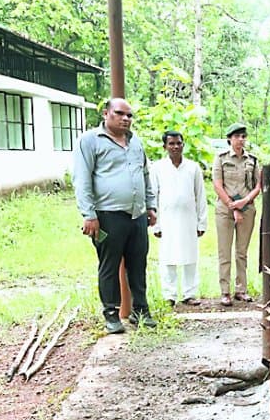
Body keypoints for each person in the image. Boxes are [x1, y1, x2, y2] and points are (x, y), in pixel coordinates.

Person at [74, 97, 157, 334]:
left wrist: (150, 206)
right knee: (109, 266)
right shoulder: (90, 141)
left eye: (129, 115)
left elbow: (145, 175)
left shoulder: (135, 142)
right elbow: (82, 179)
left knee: (138, 265)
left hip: (137, 215)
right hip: (107, 216)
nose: (126, 119)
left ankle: (141, 310)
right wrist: (89, 214)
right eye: (120, 114)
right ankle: (111, 314)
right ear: (106, 114)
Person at [150, 131, 208, 307]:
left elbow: (200, 195)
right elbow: (153, 195)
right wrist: (156, 224)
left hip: (189, 219)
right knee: (168, 258)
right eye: (171, 144)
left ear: (183, 145)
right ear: (165, 146)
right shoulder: (158, 168)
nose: (175, 147)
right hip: (166, 220)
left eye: (178, 143)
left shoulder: (193, 167)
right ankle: (170, 295)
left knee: (190, 257)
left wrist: (202, 222)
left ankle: (189, 294)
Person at [212, 122, 260, 306]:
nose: (241, 140)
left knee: (242, 251)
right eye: (238, 136)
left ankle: (241, 289)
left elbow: (257, 185)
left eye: (243, 136)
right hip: (225, 210)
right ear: (230, 139)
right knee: (224, 252)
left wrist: (244, 202)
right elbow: (217, 185)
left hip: (247, 209)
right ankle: (225, 291)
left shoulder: (252, 160)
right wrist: (233, 207)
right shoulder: (221, 158)